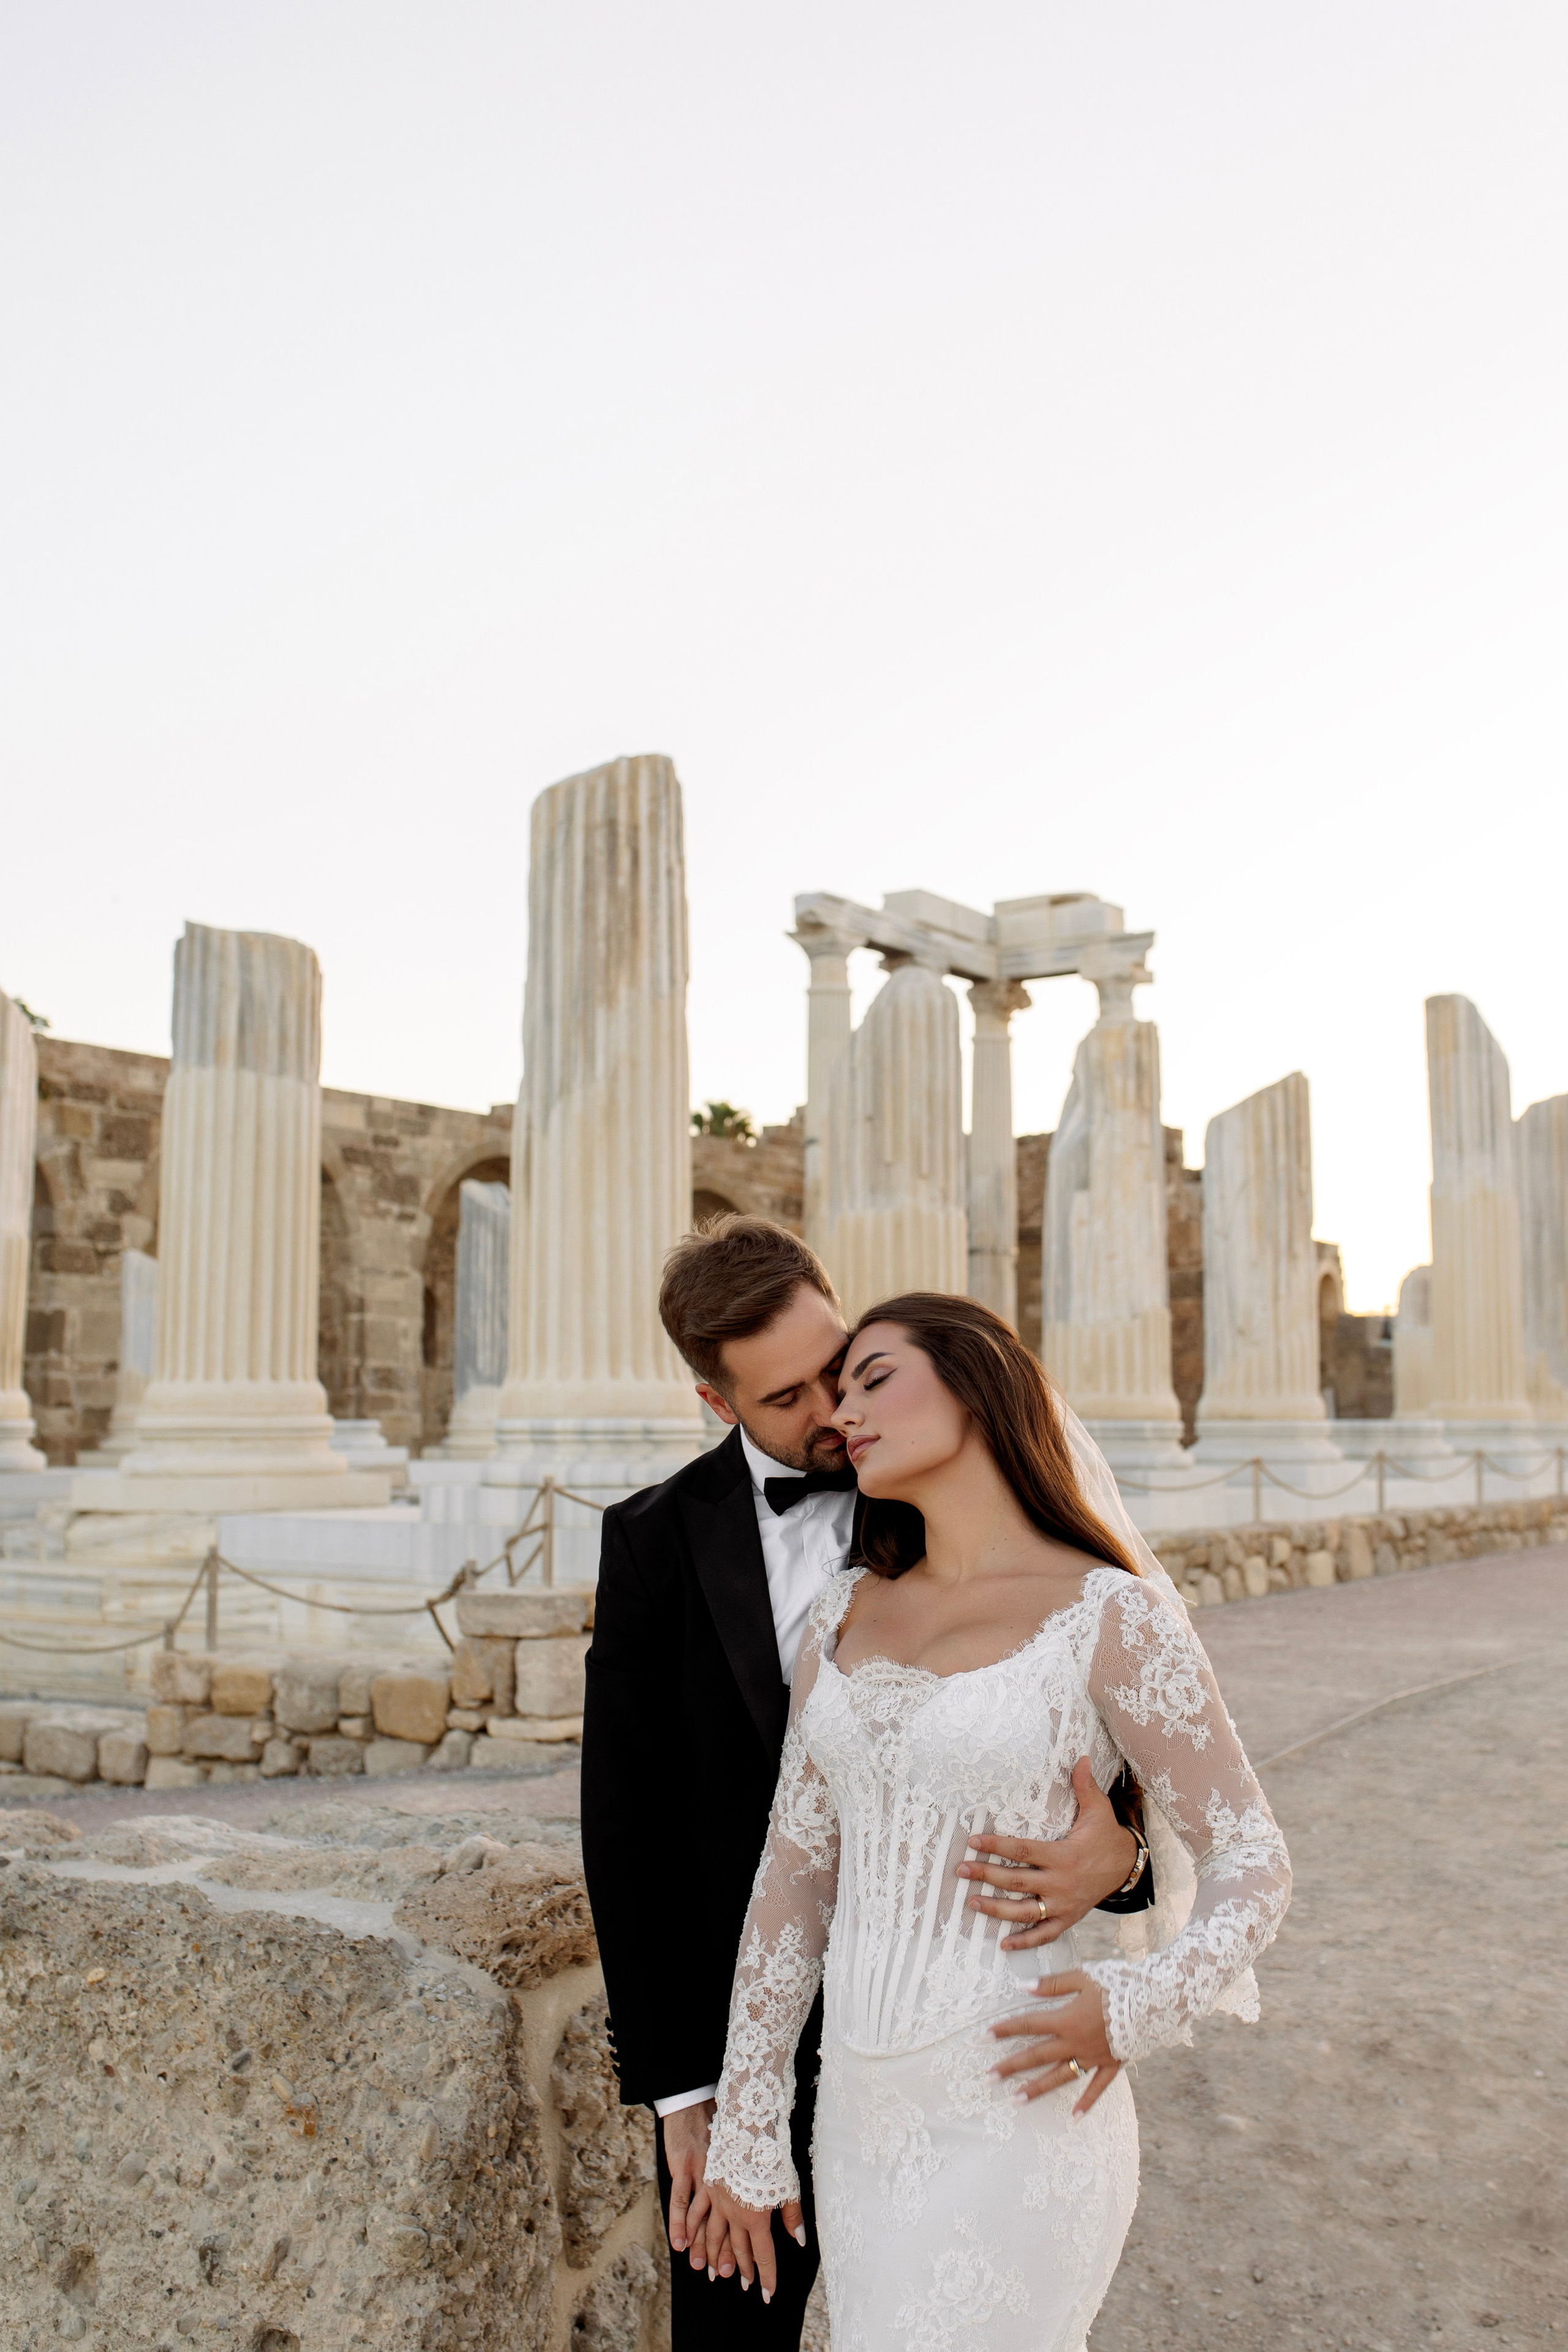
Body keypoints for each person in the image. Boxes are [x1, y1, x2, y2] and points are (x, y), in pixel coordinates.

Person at [580, 1223, 1156, 2349]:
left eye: (834, 1367)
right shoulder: (648, 1543)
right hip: (750, 2054)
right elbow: (626, 1827)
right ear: (716, 1403)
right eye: (785, 1398)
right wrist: (688, 2100)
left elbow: (1108, 1726)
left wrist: (1119, 1857)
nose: (832, 1413)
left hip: (966, 2042)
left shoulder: (945, 1484)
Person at [699, 1291, 1292, 2350]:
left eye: (875, 1378)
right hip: (860, 2121)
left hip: (1023, 2107)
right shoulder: (842, 1612)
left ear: (978, 1381)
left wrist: (1138, 2002)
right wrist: (750, 2122)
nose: (846, 1415)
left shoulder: (1110, 1613)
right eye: (840, 1399)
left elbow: (1251, 1856)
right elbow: (792, 1879)